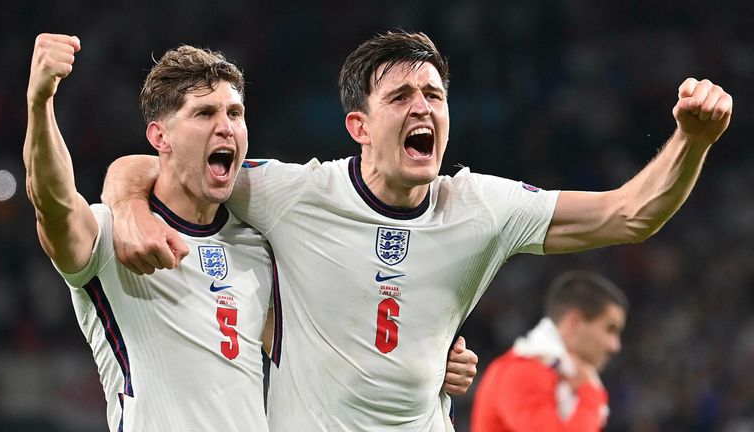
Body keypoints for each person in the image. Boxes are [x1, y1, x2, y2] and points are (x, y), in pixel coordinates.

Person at [103, 31, 731, 431]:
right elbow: (168, 166)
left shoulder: (482, 207)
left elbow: (630, 214)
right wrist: (127, 203)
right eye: (401, 96)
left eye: (434, 94)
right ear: (359, 126)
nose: (423, 107)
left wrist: (692, 141)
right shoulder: (292, 193)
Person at [23, 33, 478, 431]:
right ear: (160, 137)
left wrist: (428, 358)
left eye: (235, 113)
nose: (226, 126)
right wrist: (40, 102)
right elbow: (54, 202)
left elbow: (334, 347)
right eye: (204, 114)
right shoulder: (112, 237)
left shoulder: (258, 246)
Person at [471, 271, 628, 431]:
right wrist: (590, 394)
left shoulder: (565, 377)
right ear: (574, 322)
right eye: (610, 329)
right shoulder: (522, 371)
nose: (615, 346)